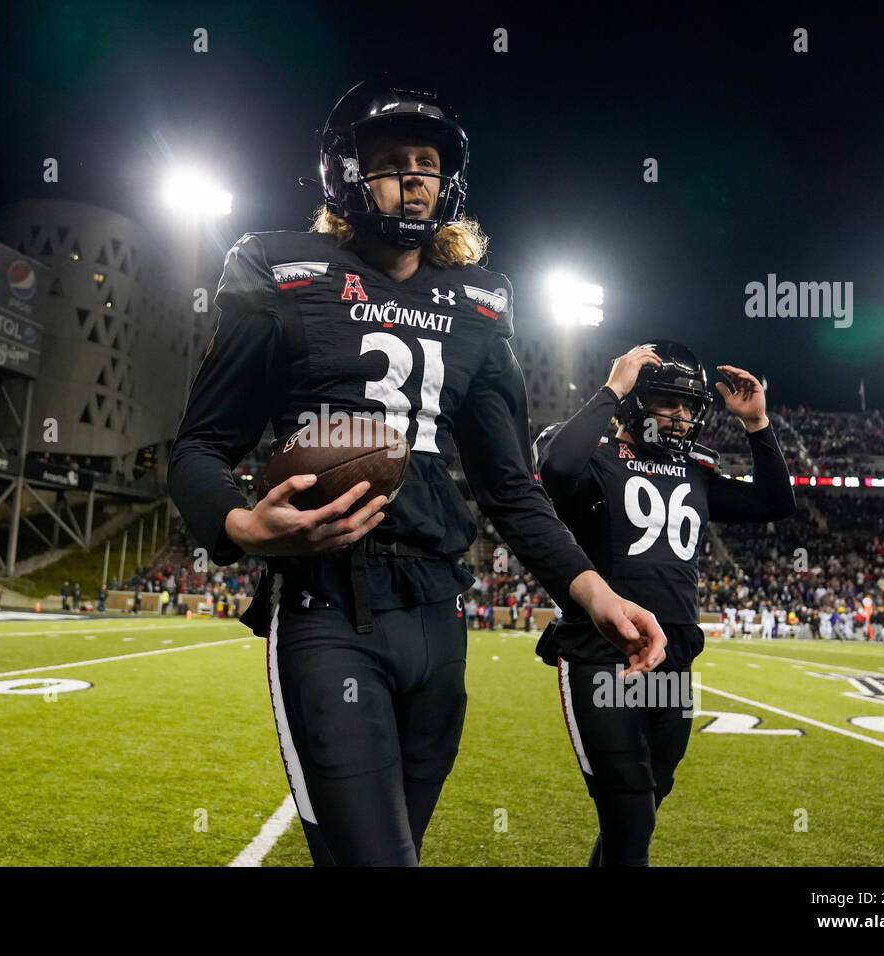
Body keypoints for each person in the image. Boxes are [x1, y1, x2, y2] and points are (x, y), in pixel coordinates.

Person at [168, 76, 666, 867]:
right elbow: (198, 447)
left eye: (427, 162)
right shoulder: (277, 269)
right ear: (345, 175)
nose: (412, 177)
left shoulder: (481, 302)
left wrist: (593, 590)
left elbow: (510, 488)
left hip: (439, 615)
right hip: (327, 607)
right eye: (391, 161)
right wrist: (242, 526)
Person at [534, 341, 796, 866]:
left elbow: (775, 502)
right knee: (629, 808)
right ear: (635, 401)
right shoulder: (597, 459)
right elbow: (557, 468)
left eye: (688, 407)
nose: (680, 417)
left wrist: (758, 425)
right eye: (667, 403)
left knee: (645, 804)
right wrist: (612, 387)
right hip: (601, 651)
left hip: (674, 655)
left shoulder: (695, 470)